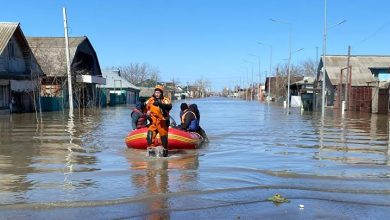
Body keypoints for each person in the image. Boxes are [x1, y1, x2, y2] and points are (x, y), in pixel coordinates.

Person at [145, 85, 172, 157]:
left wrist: (161, 104)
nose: (157, 94)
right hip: (153, 122)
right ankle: (151, 156)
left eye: (158, 92)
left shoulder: (165, 100)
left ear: (161, 93)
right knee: (150, 138)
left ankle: (164, 155)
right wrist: (147, 114)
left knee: (163, 141)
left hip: (162, 122)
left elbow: (169, 107)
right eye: (156, 92)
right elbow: (145, 108)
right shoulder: (150, 100)